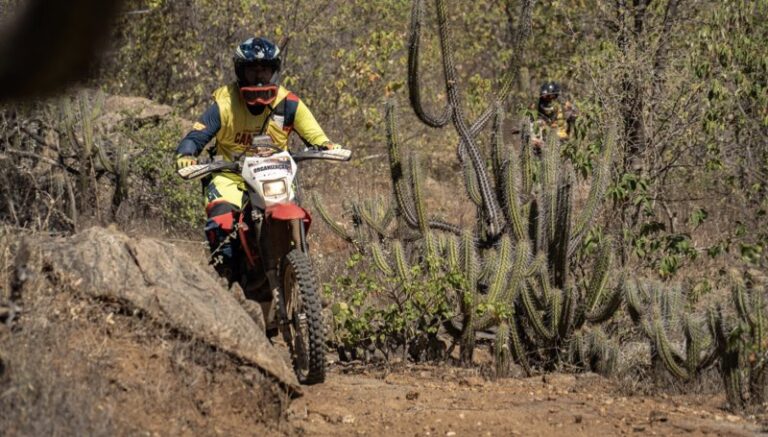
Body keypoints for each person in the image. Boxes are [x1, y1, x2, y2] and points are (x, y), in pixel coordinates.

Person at [175, 36, 341, 280]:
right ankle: (227, 280)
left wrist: (327, 146)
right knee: (222, 223)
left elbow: (316, 136)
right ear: (240, 72)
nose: (259, 76)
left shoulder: (288, 103)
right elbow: (195, 136)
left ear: (274, 71)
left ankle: (303, 274)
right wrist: (187, 154)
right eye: (252, 70)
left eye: (265, 70)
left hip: (274, 174)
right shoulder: (225, 104)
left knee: (295, 211)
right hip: (229, 176)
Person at [529, 81, 577, 149]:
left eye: (550, 96)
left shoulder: (563, 104)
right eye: (545, 96)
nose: (548, 99)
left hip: (560, 139)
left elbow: (575, 114)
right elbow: (529, 121)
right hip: (542, 140)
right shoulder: (536, 104)